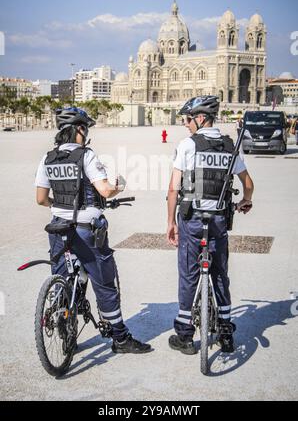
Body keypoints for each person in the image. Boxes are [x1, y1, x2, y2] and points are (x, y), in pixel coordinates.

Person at [35, 107, 151, 354]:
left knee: (63, 280)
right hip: (86, 230)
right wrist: (119, 186)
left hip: (58, 227)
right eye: (85, 129)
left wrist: (62, 206)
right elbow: (105, 191)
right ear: (79, 130)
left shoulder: (47, 158)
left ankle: (66, 336)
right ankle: (120, 338)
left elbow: (41, 199)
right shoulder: (85, 155)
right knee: (104, 283)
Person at [167, 96, 254, 355]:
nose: (185, 124)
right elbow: (248, 184)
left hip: (192, 220)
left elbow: (173, 188)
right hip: (218, 221)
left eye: (188, 119)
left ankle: (185, 335)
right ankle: (225, 331)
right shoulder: (229, 145)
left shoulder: (188, 145)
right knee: (219, 274)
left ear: (201, 118)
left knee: (189, 273)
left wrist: (170, 222)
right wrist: (245, 201)